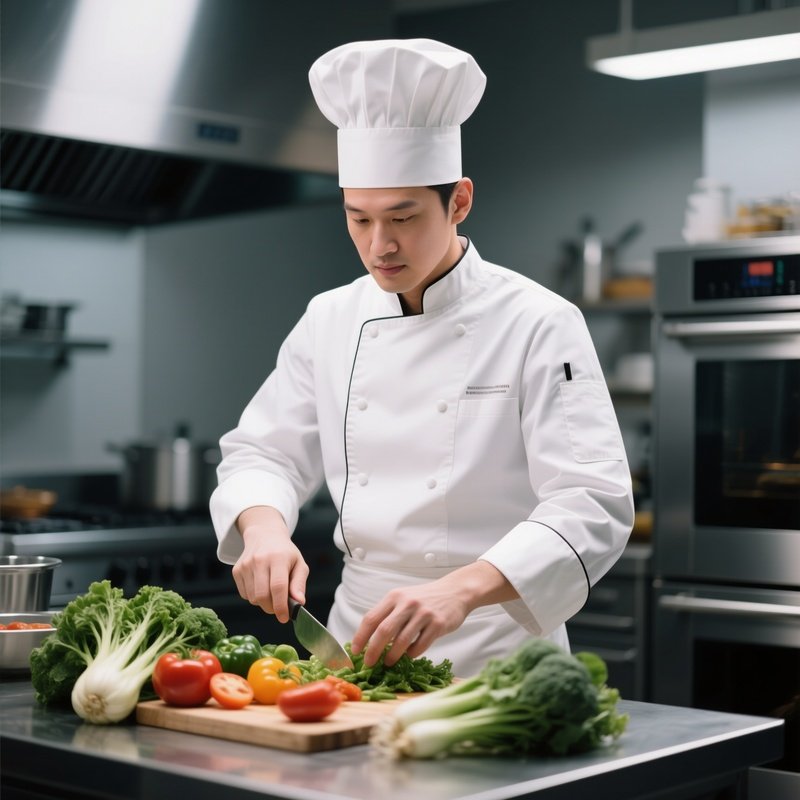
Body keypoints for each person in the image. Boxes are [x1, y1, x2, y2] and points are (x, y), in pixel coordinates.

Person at [210, 38, 634, 678]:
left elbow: (591, 501)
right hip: (357, 644)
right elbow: (262, 451)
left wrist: (457, 591)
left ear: (459, 202)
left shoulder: (538, 321)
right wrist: (265, 530)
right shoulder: (330, 317)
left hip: (496, 651)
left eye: (403, 218)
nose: (379, 245)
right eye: (358, 219)